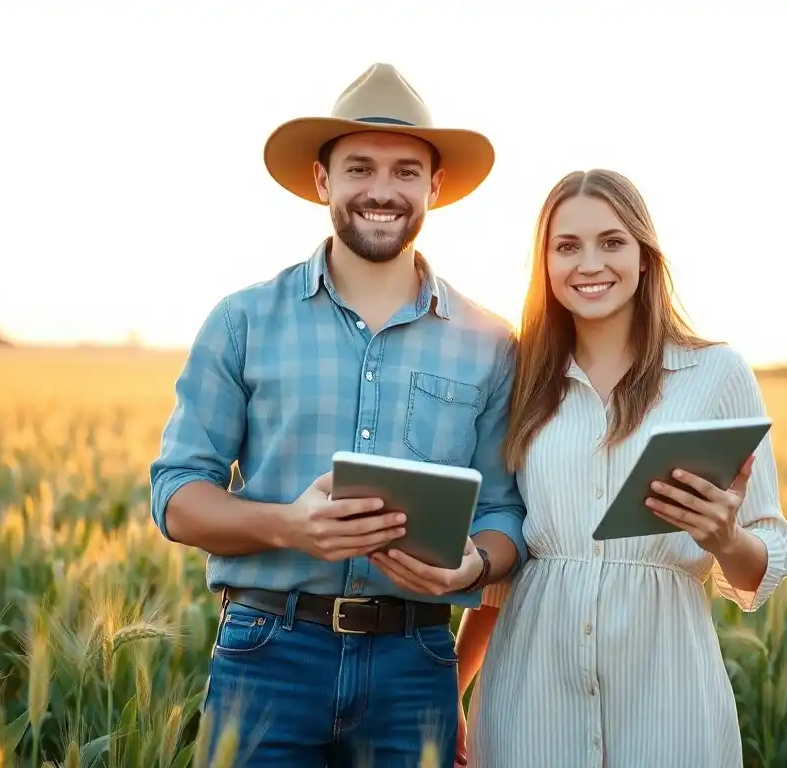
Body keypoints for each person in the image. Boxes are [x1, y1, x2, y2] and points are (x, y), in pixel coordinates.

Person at [148, 62, 528, 768]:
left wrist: (473, 561)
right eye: (359, 168)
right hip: (267, 655)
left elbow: (508, 517)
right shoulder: (242, 321)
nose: (382, 192)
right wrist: (285, 524)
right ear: (323, 181)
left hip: (416, 666)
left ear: (435, 188)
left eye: (406, 172)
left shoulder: (491, 341)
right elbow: (176, 496)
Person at [453, 169, 787, 767]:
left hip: (667, 694)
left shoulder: (716, 375)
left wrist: (725, 538)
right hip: (530, 694)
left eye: (611, 242)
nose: (590, 264)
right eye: (567, 246)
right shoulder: (523, 377)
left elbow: (763, 561)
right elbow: (506, 553)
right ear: (545, 264)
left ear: (643, 256)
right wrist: (450, 687)